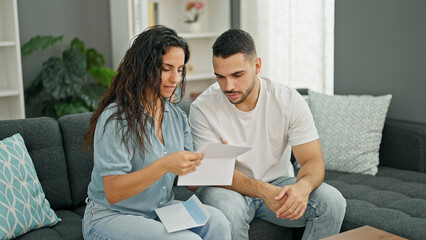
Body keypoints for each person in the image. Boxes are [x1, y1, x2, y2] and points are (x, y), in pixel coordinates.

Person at [188, 29, 346, 240]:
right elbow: (214, 173)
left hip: (278, 183)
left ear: (257, 66)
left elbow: (312, 160)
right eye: (220, 77)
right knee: (228, 212)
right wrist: (264, 191)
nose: (229, 86)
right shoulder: (202, 108)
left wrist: (303, 187)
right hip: (228, 189)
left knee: (332, 202)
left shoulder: (288, 100)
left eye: (237, 75)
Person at [82, 25, 231, 240]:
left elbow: (189, 181)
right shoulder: (116, 119)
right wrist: (165, 164)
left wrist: (213, 162)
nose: (175, 79)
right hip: (111, 216)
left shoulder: (176, 117)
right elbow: (114, 192)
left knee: (218, 222)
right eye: (167, 68)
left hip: (160, 211)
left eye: (179, 69)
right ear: (145, 67)